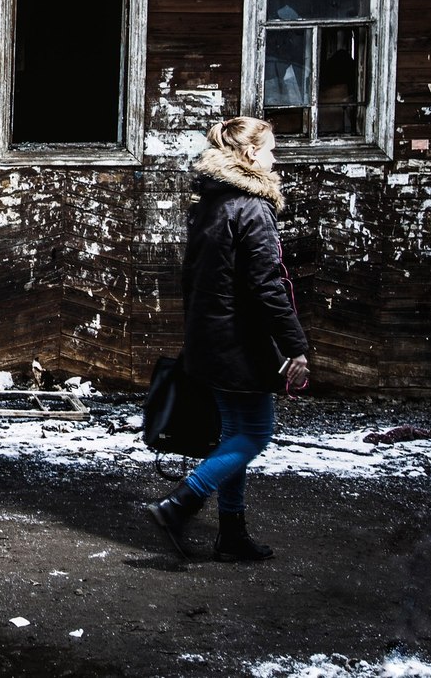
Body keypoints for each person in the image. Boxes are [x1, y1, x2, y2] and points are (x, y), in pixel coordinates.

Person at [147, 116, 310, 561]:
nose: (276, 158)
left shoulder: (211, 205)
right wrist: (295, 345)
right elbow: (267, 286)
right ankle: (179, 504)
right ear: (251, 154)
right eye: (271, 149)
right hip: (241, 343)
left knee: (234, 433)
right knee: (255, 433)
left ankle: (232, 534)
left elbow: (194, 278)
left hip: (212, 338)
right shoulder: (253, 208)